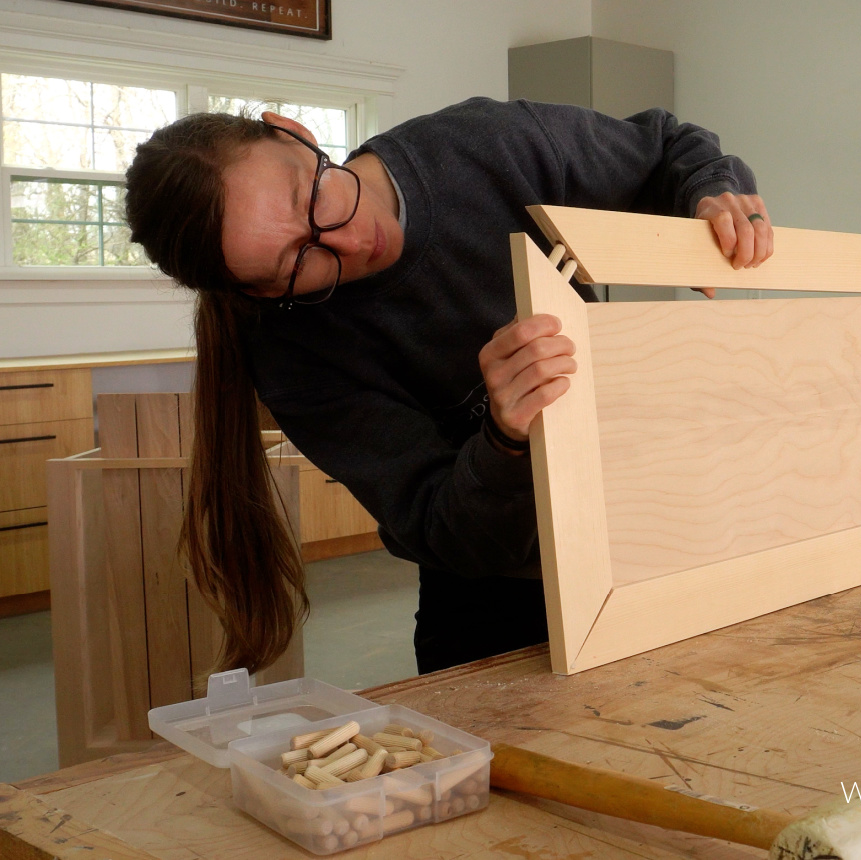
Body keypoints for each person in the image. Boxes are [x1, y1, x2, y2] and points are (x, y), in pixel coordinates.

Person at [123, 96, 773, 677]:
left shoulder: (481, 146)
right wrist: (505, 440)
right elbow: (445, 530)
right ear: (261, 293)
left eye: (312, 196)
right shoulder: (294, 353)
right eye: (297, 262)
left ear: (294, 133)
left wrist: (708, 194)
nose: (352, 240)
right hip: (496, 603)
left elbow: (665, 146)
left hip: (641, 538)